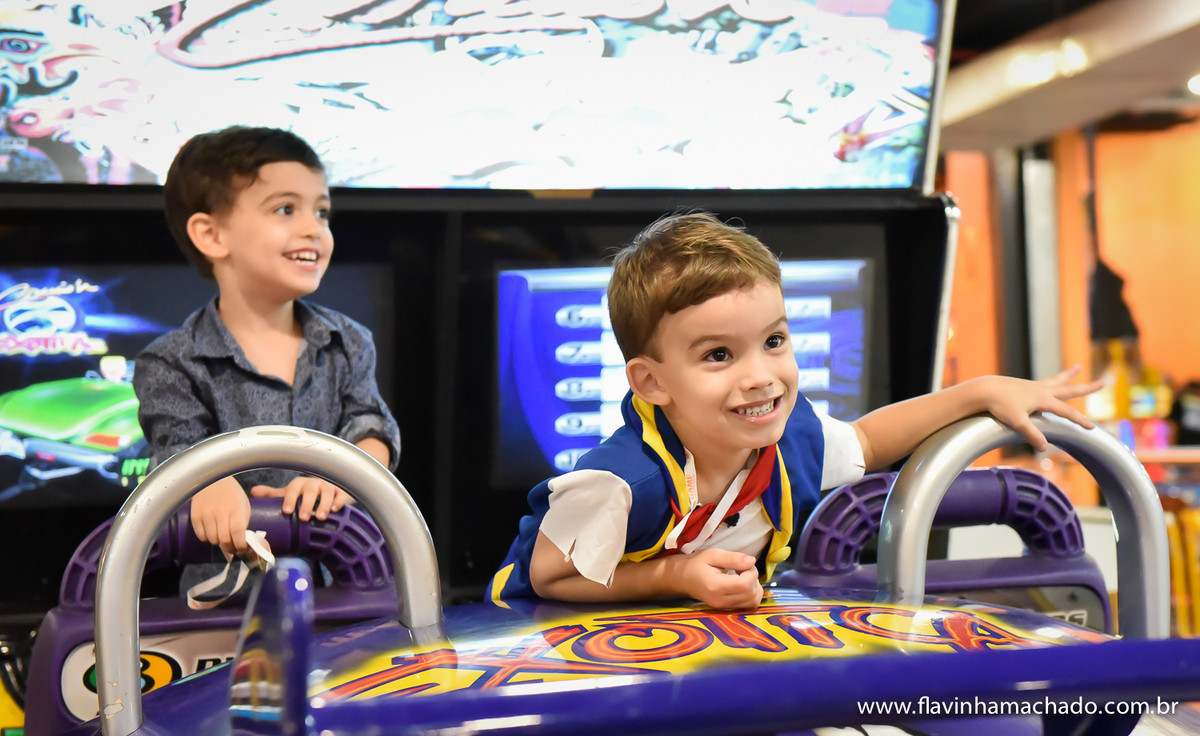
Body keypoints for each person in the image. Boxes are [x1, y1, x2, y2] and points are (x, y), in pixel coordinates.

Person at [488, 211, 1101, 610]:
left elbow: (867, 440)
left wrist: (977, 393)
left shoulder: (792, 439)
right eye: (719, 355)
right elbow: (550, 578)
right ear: (651, 382)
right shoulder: (617, 483)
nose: (760, 376)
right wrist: (674, 577)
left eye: (774, 341)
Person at [134, 125, 400, 557]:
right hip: (225, 587)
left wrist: (344, 476)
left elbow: (373, 427)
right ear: (212, 235)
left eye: (321, 212)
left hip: (345, 575)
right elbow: (177, 448)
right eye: (285, 209)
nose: (313, 229)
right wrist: (206, 483)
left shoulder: (349, 341)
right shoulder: (170, 362)